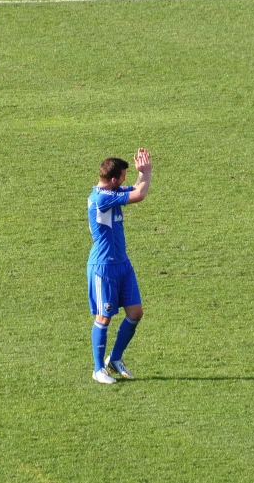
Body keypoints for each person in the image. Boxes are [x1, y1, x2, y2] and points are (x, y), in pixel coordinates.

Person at [86, 148, 152, 383]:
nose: (126, 179)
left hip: (122, 264)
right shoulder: (101, 198)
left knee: (135, 313)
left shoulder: (111, 190)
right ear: (113, 179)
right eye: (124, 176)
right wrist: (148, 172)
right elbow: (140, 195)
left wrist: (141, 174)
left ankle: (114, 359)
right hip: (104, 267)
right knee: (104, 317)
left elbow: (135, 189)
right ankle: (97, 370)